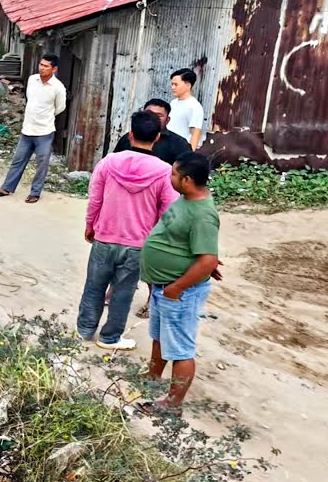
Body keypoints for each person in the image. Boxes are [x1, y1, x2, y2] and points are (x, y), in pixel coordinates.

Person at [77, 111, 180, 351]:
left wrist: (90, 225)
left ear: (130, 134)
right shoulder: (164, 171)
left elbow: (95, 199)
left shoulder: (108, 162)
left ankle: (84, 331)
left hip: (104, 237)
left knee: (94, 286)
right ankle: (110, 337)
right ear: (157, 138)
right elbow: (169, 212)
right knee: (123, 293)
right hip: (138, 245)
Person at [140, 152, 221, 408]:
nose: (170, 177)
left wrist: (177, 287)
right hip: (165, 287)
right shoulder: (186, 199)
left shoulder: (203, 214)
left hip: (178, 291)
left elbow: (207, 259)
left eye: (174, 174)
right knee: (160, 337)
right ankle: (153, 375)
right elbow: (197, 251)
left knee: (180, 348)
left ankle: (172, 403)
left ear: (186, 180)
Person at [0, 54, 67, 203]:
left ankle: (35, 193)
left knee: (41, 164)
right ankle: (6, 188)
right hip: (27, 129)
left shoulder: (58, 88)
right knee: (18, 161)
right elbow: (29, 98)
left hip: (44, 131)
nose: (42, 68)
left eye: (46, 66)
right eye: (41, 64)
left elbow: (59, 108)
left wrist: (45, 117)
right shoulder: (32, 80)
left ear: (54, 69)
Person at [113, 99, 191, 165]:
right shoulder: (127, 138)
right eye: (148, 114)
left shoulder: (179, 143)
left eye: (159, 115)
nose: (152, 118)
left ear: (167, 120)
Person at [168, 68, 205, 150]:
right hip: (168, 148)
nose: (173, 87)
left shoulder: (194, 106)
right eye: (172, 84)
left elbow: (195, 134)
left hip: (180, 150)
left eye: (176, 84)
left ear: (188, 85)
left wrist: (189, 156)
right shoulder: (173, 103)